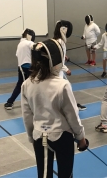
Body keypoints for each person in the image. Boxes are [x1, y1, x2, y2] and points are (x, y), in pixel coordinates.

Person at [21, 39, 87, 178]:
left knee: (44, 176)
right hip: (62, 137)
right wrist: (81, 137)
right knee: (65, 174)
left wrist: (31, 136)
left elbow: (27, 116)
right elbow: (72, 115)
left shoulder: (27, 84)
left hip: (39, 136)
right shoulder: (62, 85)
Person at [53, 20, 87, 111]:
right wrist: (66, 69)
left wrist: (64, 56)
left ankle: (73, 104)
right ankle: (70, 107)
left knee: (67, 87)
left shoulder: (56, 40)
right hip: (58, 71)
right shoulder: (61, 42)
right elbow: (58, 60)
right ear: (64, 30)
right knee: (62, 89)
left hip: (56, 70)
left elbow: (58, 54)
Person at [4, 29, 35, 110]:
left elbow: (17, 54)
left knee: (20, 85)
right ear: (30, 36)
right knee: (32, 86)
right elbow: (38, 49)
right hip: (27, 68)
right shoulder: (29, 43)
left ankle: (9, 102)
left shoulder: (20, 43)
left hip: (21, 67)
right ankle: (34, 104)